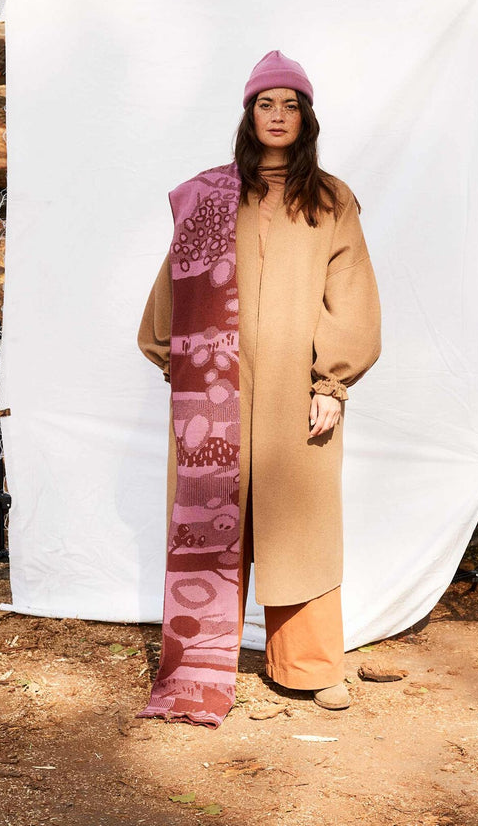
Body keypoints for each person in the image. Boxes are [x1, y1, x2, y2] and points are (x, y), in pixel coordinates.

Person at [137, 50, 381, 728]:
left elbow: (350, 292)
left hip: (295, 390)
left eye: (290, 105)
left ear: (306, 118)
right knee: (211, 522)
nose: (278, 115)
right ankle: (197, 663)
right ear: (249, 116)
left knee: (300, 522)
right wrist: (180, 362)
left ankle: (309, 666)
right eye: (265, 104)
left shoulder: (331, 199)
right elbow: (174, 285)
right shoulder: (210, 195)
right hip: (214, 392)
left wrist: (331, 383)